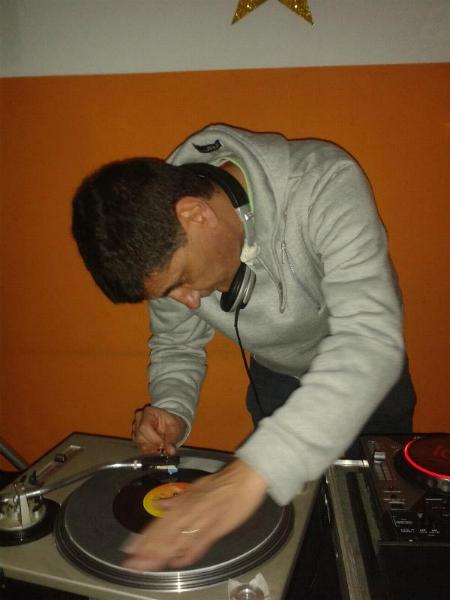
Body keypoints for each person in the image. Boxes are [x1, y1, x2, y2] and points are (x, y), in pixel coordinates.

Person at [71, 123, 416, 571]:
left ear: (196, 214)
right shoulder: (160, 241)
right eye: (170, 294)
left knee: (380, 535)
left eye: (182, 282)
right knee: (295, 538)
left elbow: (369, 340)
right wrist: (173, 407)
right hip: (277, 378)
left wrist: (256, 470)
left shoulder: (323, 182)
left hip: (371, 380)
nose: (189, 302)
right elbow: (177, 343)